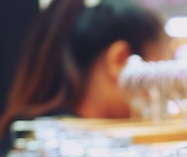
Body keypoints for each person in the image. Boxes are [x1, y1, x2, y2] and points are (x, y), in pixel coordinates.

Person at [0, 0, 171, 145]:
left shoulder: (31, 135)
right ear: (120, 60)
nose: (167, 94)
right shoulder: (64, 149)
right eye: (158, 76)